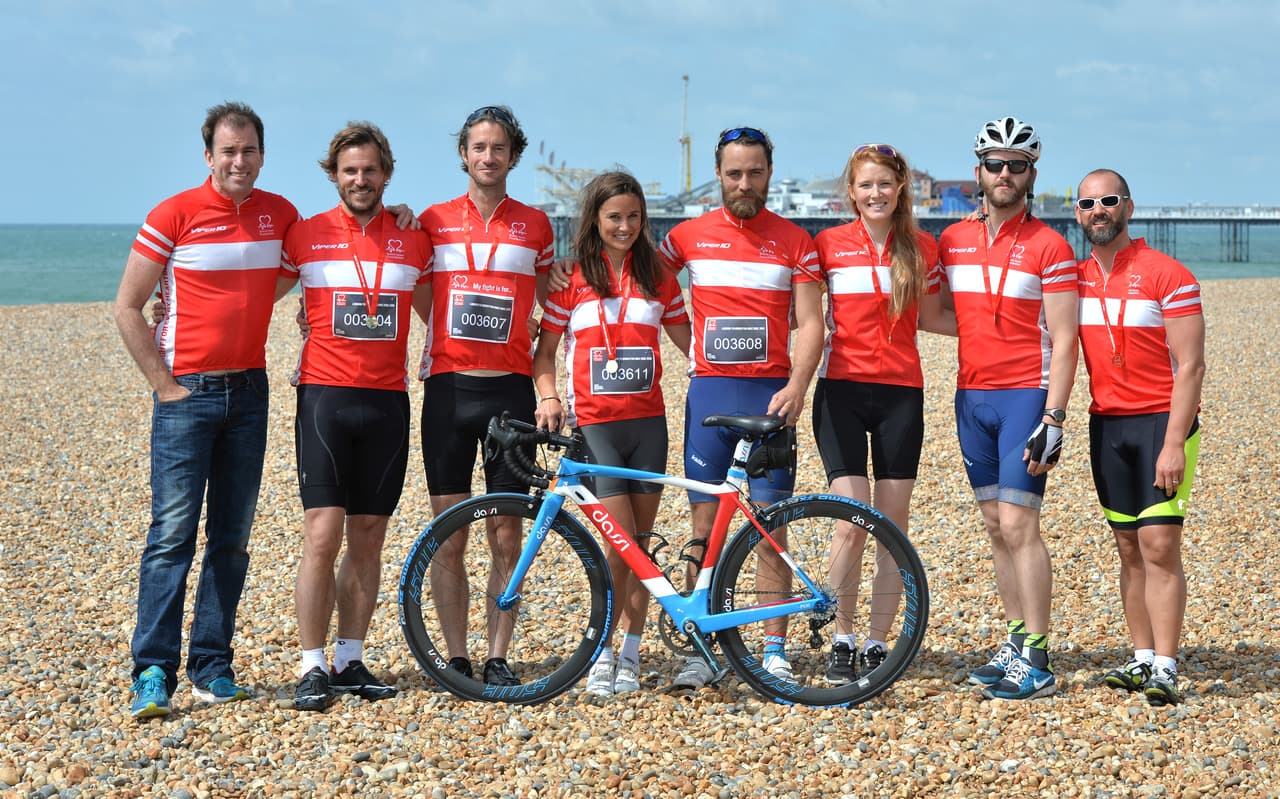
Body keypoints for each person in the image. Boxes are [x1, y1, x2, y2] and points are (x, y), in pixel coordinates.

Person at [115, 102, 300, 719]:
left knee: (232, 537)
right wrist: (165, 387)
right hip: (186, 396)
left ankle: (211, 666)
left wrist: (398, 213)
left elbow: (318, 254)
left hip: (250, 391)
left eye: (249, 150)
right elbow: (128, 307)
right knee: (170, 536)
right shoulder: (175, 213)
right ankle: (152, 671)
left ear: (262, 154)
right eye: (229, 151)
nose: (239, 161)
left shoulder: (281, 214)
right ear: (209, 157)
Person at [657, 126, 824, 689]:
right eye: (734, 173)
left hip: (770, 396)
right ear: (719, 174)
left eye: (754, 173)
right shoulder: (686, 236)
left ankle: (773, 649)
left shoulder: (795, 241)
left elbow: (812, 324)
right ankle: (701, 646)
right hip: (709, 395)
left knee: (771, 524)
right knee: (704, 525)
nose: (744, 183)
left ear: (769, 174)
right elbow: (640, 286)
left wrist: (799, 385)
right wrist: (690, 348)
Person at [280, 123, 433, 711]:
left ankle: (350, 659)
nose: (360, 179)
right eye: (349, 170)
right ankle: (311, 664)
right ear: (334, 175)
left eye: (370, 170)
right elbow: (249, 290)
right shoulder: (304, 234)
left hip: (388, 401)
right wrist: (173, 296)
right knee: (321, 536)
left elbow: (443, 308)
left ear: (386, 174)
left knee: (368, 537)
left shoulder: (413, 238)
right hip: (324, 399)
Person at [532, 171, 691, 696]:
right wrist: (549, 397)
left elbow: (691, 342)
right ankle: (602, 650)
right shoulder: (572, 276)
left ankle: (631, 652)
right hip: (596, 425)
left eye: (633, 217)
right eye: (614, 217)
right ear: (595, 220)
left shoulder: (659, 277)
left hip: (648, 425)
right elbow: (546, 354)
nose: (624, 226)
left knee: (640, 547)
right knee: (616, 545)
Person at [937, 116, 1079, 701]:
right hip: (971, 397)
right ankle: (1017, 640)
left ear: (1032, 174)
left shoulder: (1050, 245)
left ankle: (1039, 661)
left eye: (1016, 165)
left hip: (1026, 395)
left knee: (1021, 524)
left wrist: (1055, 418)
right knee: (996, 526)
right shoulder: (952, 239)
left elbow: (1066, 339)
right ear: (979, 172)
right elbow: (937, 314)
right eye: (994, 163)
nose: (1004, 173)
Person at [415, 105, 556, 686]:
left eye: (499, 149)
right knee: (450, 530)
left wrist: (542, 376)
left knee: (506, 531)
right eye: (478, 147)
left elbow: (555, 305)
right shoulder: (430, 221)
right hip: (448, 391)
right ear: (464, 155)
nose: (488, 157)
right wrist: (452, 332)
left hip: (511, 395)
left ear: (514, 156)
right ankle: (456, 656)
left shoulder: (537, 225)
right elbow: (419, 295)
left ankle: (498, 654)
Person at [811, 143, 954, 684]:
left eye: (885, 185)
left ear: (900, 191)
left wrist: (1011, 326)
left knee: (892, 527)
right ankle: (842, 636)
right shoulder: (826, 245)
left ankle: (877, 642)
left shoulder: (921, 248)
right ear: (851, 192)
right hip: (840, 393)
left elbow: (938, 316)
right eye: (866, 185)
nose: (876, 193)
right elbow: (795, 312)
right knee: (852, 521)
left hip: (900, 394)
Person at [1074, 169, 1205, 706]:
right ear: (1078, 213)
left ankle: (1167, 666)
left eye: (1109, 200)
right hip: (1106, 422)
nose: (1098, 210)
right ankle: (1142, 657)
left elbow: (1191, 366)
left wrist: (1174, 442)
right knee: (1128, 546)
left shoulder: (1167, 273)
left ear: (1128, 206)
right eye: (1087, 203)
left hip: (1160, 422)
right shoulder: (1074, 277)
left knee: (1159, 543)